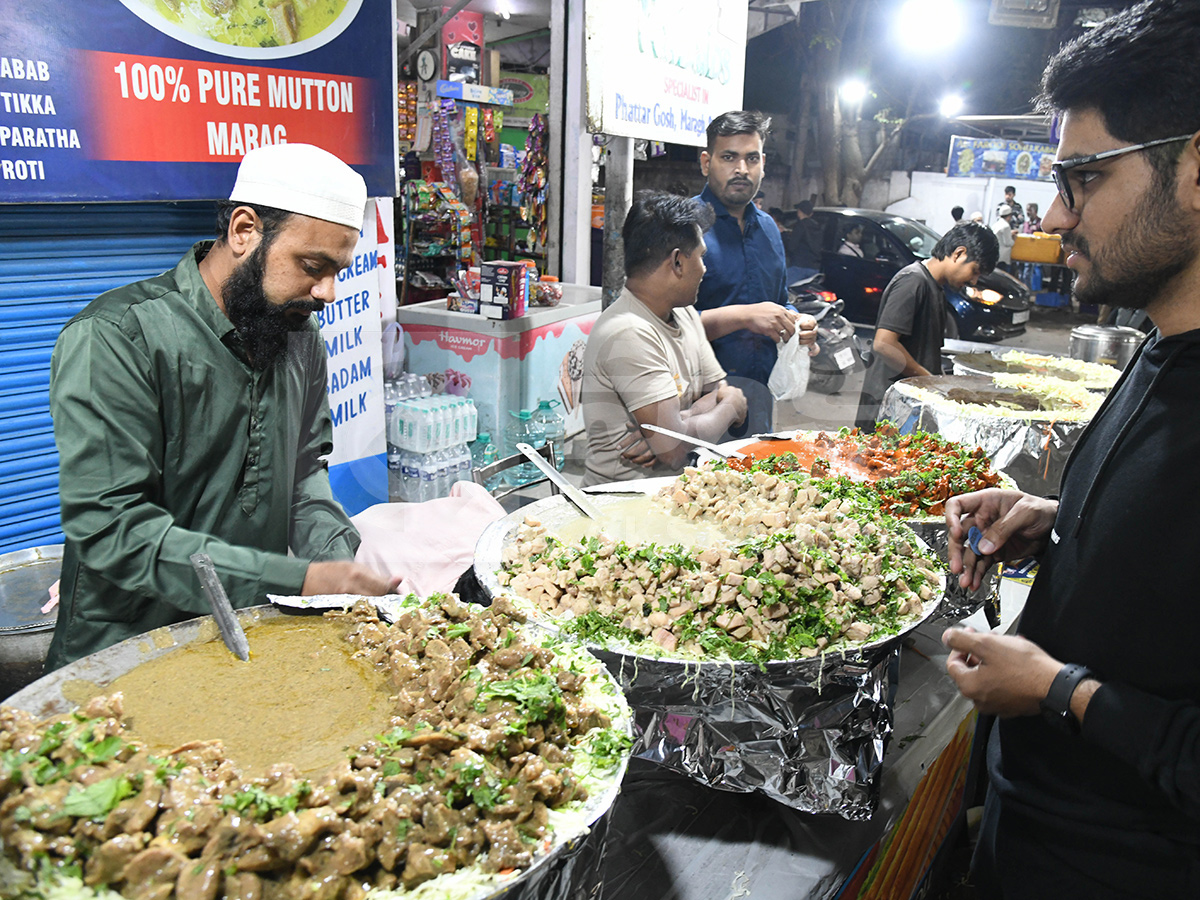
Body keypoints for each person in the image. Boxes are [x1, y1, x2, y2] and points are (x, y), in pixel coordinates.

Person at [940, 2, 1200, 896]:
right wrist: (1058, 524)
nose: (1054, 214)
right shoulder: (1160, 345)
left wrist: (1061, 691)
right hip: (1028, 837)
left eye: (1082, 178)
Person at [45, 143, 400, 670]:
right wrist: (297, 580)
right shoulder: (117, 337)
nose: (327, 292)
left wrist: (336, 566)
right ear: (244, 230)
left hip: (245, 637)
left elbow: (303, 473)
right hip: (125, 654)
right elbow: (111, 528)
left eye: (338, 271)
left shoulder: (300, 338)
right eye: (312, 265)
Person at [581, 192, 747, 485]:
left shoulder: (684, 314)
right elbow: (675, 452)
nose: (704, 269)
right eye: (701, 256)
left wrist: (678, 426)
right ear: (678, 262)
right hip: (621, 502)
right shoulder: (629, 332)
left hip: (673, 492)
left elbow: (716, 389)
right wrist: (732, 406)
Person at [692, 110, 817, 437]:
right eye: (728, 157)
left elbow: (778, 301)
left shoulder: (769, 229)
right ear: (706, 163)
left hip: (761, 398)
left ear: (763, 163)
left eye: (751, 158)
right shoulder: (683, 227)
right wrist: (744, 316)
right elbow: (662, 329)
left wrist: (796, 322)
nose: (742, 169)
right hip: (699, 407)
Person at [854, 223, 998, 431]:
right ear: (958, 253)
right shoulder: (913, 281)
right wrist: (930, 382)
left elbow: (926, 352)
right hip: (885, 411)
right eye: (974, 271)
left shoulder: (935, 288)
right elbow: (884, 344)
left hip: (907, 408)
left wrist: (945, 385)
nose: (973, 281)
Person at [784, 199, 823, 282]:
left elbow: (791, 246)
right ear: (811, 214)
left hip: (799, 266)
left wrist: (784, 235)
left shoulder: (800, 226)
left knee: (780, 285)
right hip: (815, 268)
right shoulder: (817, 227)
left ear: (799, 211)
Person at [991, 204, 1016, 271]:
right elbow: (1008, 243)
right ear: (1009, 216)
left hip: (995, 256)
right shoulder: (1006, 226)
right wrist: (1014, 238)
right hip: (1003, 258)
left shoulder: (995, 224)